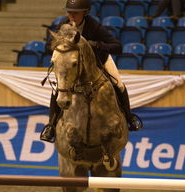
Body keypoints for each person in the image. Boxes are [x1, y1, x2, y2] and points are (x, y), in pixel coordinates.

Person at [40, 0, 142, 143]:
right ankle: (51, 125)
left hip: (99, 60)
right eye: (69, 12)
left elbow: (117, 47)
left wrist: (97, 45)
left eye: (75, 13)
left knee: (118, 83)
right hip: (75, 64)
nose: (72, 16)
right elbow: (53, 45)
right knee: (57, 88)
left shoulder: (94, 26)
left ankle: (129, 117)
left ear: (85, 12)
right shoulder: (64, 25)